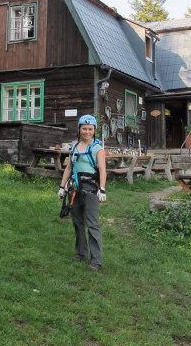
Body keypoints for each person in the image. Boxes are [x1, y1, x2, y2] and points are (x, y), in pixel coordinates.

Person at [58, 115, 107, 271]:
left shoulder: (97, 149)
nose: (87, 132)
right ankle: (80, 253)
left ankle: (96, 260)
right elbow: (69, 168)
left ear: (94, 131)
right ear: (79, 129)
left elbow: (102, 170)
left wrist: (102, 189)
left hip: (91, 189)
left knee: (92, 224)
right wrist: (62, 186)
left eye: (90, 129)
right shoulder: (74, 147)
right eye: (84, 128)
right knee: (78, 223)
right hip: (75, 189)